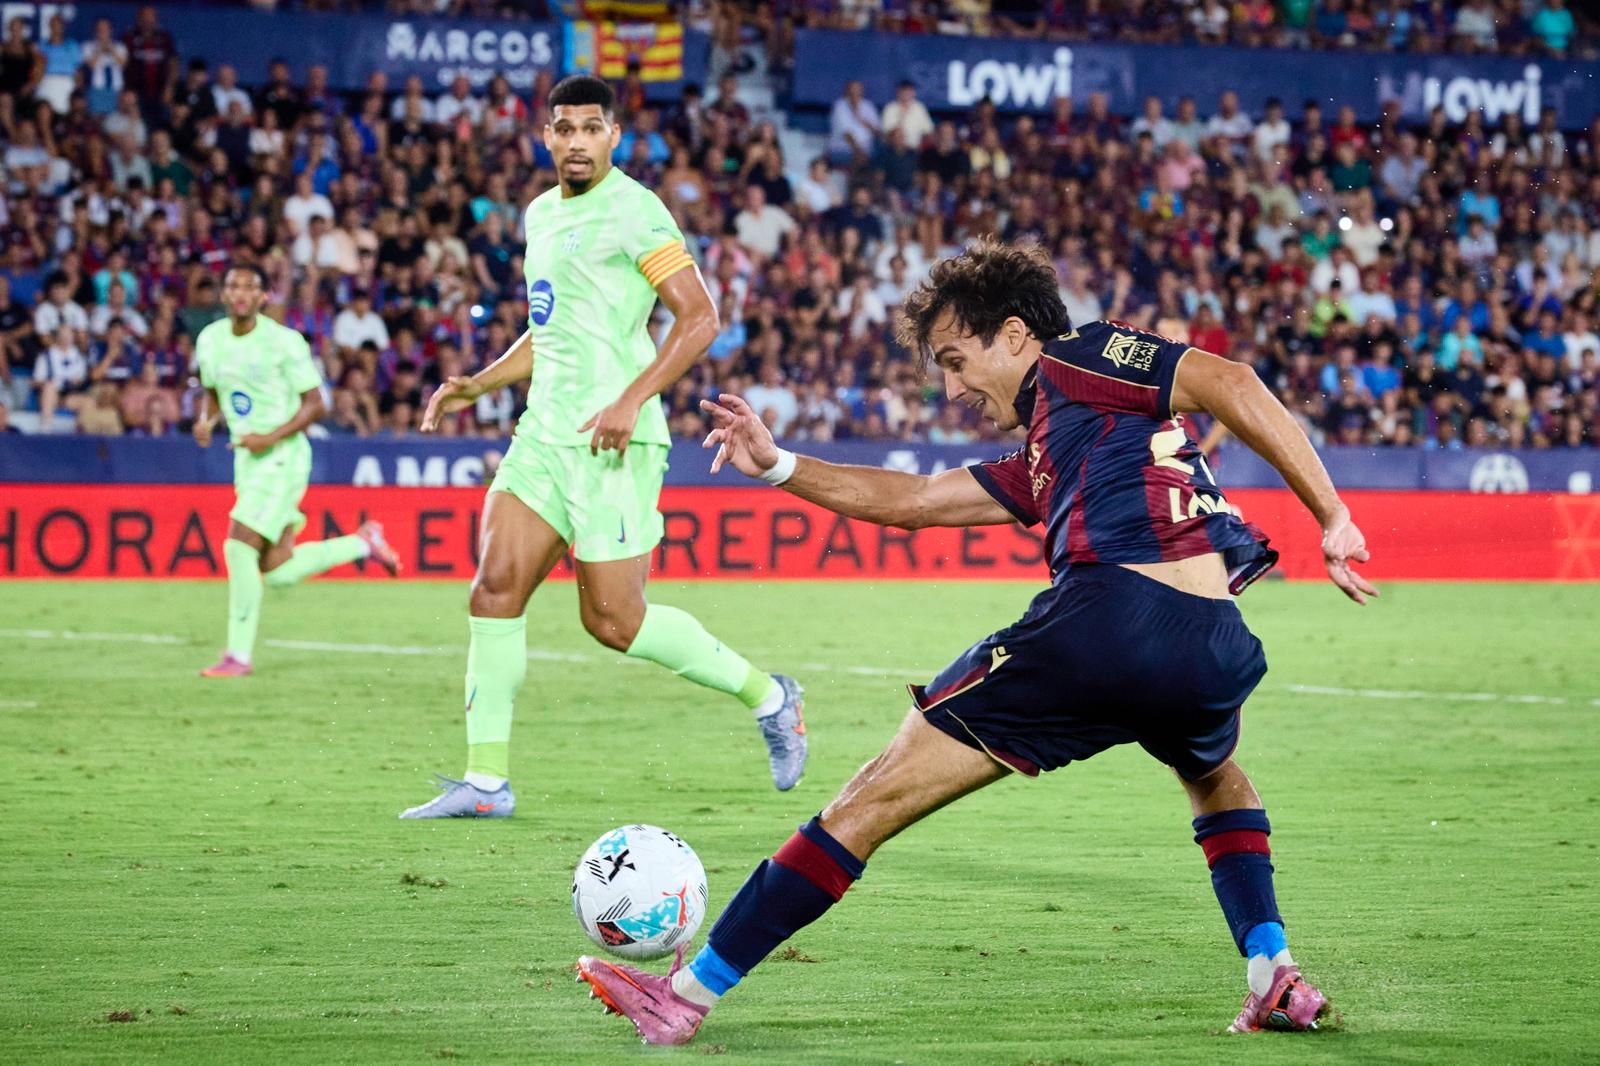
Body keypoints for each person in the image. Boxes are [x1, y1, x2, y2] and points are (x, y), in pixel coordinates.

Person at [576, 238, 1377, 1045]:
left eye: (957, 360)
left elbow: (1229, 381)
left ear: (1019, 335)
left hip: (1111, 619)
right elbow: (918, 498)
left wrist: (1332, 514)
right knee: (1215, 777)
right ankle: (1271, 971)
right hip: (1214, 648)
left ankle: (686, 993)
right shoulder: (1057, 444)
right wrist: (780, 463)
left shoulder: (1084, 358)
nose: (952, 387)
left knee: (874, 794)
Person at [401, 76, 807, 821]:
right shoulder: (540, 214)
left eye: (591, 128)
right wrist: (478, 384)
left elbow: (698, 318)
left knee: (613, 621)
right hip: (542, 436)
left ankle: (772, 696)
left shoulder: (634, 209)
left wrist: (631, 397)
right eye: (564, 128)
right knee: (493, 590)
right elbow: (549, 328)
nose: (577, 141)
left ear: (613, 136)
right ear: (547, 137)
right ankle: (486, 783)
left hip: (615, 441)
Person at [191, 264, 402, 679]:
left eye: (249, 287)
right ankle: (363, 543)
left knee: (238, 546)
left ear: (262, 297)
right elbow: (213, 390)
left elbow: (316, 403)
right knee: (279, 571)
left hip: (282, 455)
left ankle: (237, 655)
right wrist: (206, 421)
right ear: (224, 294)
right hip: (247, 459)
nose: (239, 293)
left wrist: (270, 437)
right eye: (233, 285)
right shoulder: (209, 340)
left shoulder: (283, 342)